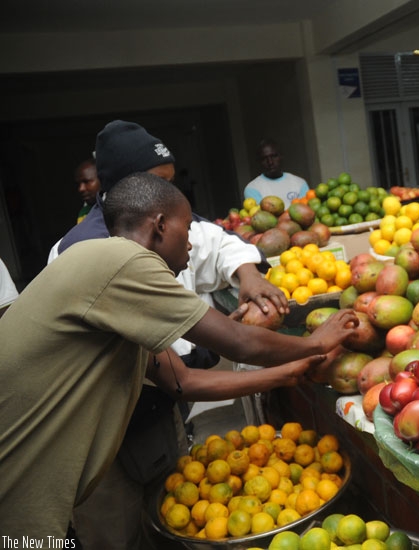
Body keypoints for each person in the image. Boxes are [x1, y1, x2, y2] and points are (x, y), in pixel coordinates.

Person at [0, 172, 358, 540]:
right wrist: (317, 343)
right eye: (186, 231)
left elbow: (182, 382)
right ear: (159, 225)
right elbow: (238, 342)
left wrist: (287, 373)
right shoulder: (123, 262)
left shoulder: (110, 277)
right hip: (19, 482)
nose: (189, 246)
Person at [48, 120, 290, 548]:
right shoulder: (85, 253)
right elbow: (186, 374)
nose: (169, 194)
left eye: (170, 183)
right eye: (158, 183)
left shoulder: (162, 218)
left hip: (160, 410)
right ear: (130, 190)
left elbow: (217, 240)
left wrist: (248, 274)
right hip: (98, 435)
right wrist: (303, 356)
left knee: (175, 516)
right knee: (119, 533)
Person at [243, 139, 309, 208]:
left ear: (281, 156)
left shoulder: (300, 183)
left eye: (274, 156)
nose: (270, 162)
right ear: (259, 162)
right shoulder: (252, 188)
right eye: (264, 158)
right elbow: (261, 214)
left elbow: (306, 211)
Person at [73, 158, 100, 224]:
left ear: (102, 179)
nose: (81, 189)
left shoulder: (117, 208)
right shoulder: (84, 213)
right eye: (79, 184)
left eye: (86, 181)